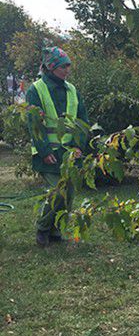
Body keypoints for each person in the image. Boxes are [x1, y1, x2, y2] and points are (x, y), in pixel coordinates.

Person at [26, 47, 90, 247]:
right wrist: (44, 151)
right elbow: (34, 123)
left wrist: (79, 146)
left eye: (69, 66)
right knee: (57, 192)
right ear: (51, 67)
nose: (67, 70)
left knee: (69, 194)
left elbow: (82, 121)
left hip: (69, 153)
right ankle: (42, 229)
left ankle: (55, 231)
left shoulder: (72, 90)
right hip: (48, 153)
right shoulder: (36, 90)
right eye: (64, 66)